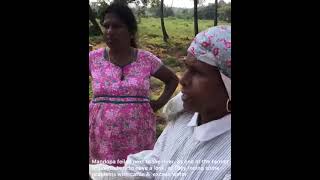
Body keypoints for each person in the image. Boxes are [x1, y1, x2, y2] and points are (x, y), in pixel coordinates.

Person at [89, 25, 231, 180]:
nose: (183, 80)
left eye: (197, 72)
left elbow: (171, 79)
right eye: (187, 68)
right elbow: (154, 164)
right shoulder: (182, 120)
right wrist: (97, 174)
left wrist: (157, 103)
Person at [89, 3, 179, 166]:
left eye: (116, 26)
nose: (109, 31)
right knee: (104, 174)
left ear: (131, 32)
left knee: (136, 172)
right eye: (106, 26)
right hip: (101, 136)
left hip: (138, 136)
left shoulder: (146, 59)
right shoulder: (93, 59)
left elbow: (172, 79)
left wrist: (159, 103)